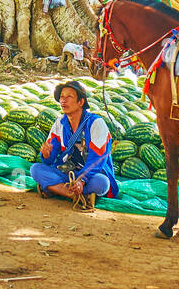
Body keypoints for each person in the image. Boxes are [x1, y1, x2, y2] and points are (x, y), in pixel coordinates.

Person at [31, 81, 118, 211]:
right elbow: (51, 157)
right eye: (61, 97)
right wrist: (46, 154)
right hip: (66, 172)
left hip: (90, 175)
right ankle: (73, 195)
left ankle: (55, 189)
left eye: (69, 97)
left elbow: (98, 159)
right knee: (35, 169)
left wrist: (81, 180)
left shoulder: (96, 123)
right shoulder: (60, 123)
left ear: (81, 102)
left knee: (102, 183)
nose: (63, 101)